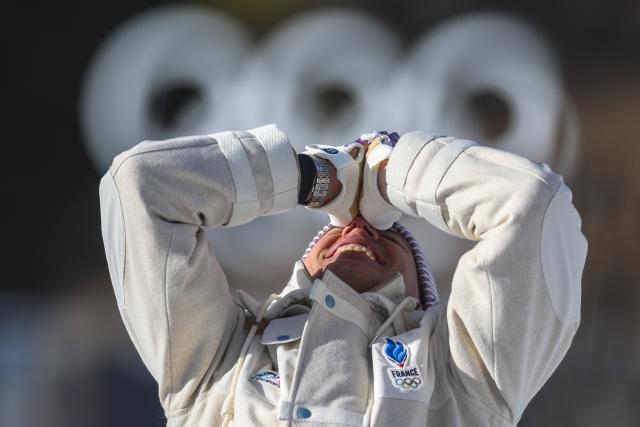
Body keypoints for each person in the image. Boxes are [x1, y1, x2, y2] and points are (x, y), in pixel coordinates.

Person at [99, 124, 587, 426]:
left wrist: (389, 174)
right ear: (301, 273)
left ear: (422, 300)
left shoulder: (466, 380)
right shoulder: (217, 367)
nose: (358, 229)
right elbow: (139, 186)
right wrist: (307, 178)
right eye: (333, 235)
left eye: (391, 239)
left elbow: (533, 208)